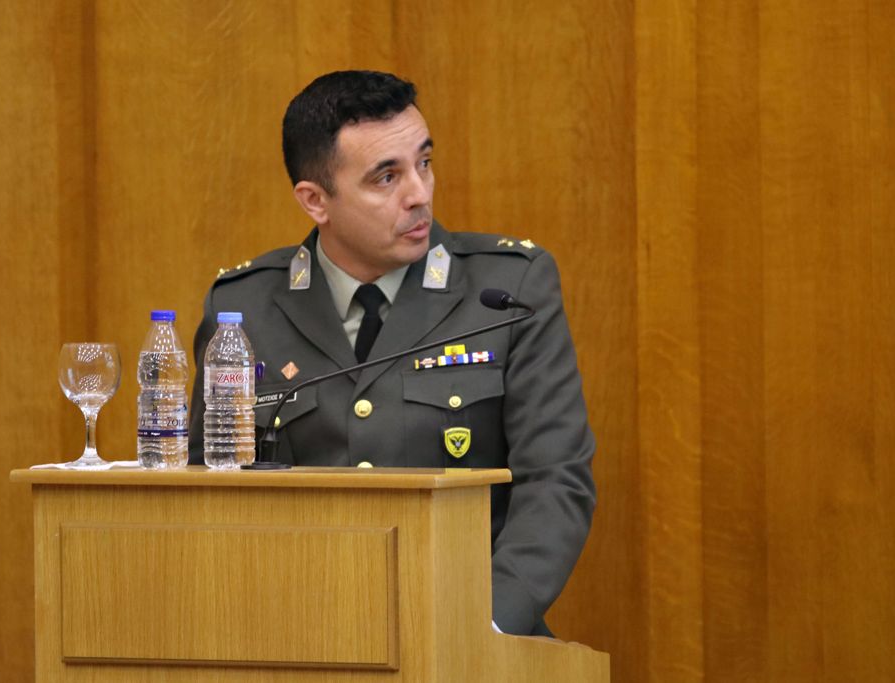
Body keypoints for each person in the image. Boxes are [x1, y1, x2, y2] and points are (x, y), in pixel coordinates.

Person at [188, 70, 595, 636]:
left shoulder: (508, 293)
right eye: (387, 177)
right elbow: (206, 495)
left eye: (424, 163)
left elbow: (555, 482)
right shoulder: (244, 310)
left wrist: (482, 629)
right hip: (292, 636)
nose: (419, 194)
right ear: (315, 200)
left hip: (469, 638)